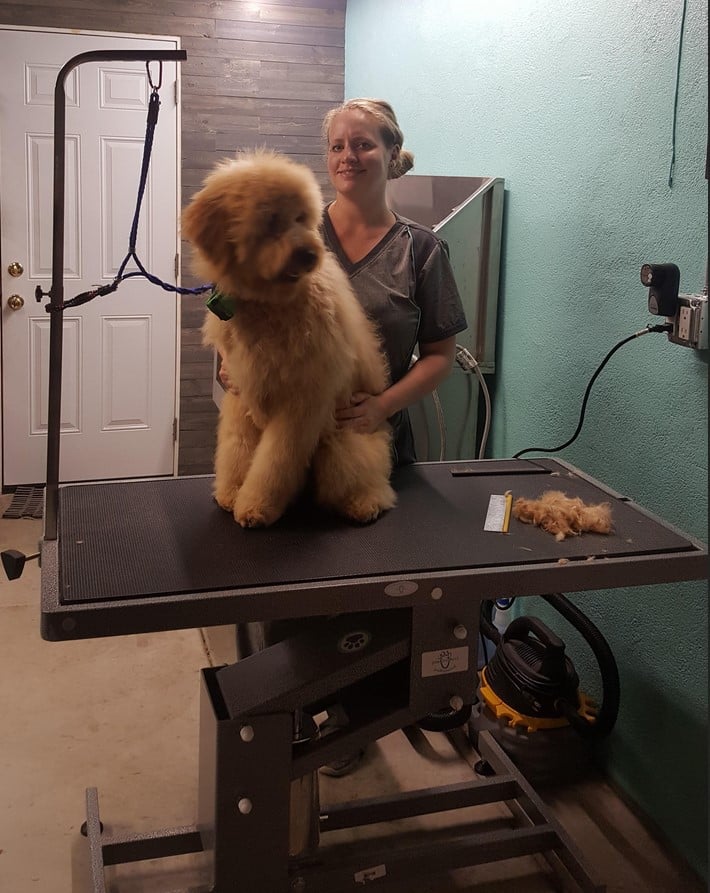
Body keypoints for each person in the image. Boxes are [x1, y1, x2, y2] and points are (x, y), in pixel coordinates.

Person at [224, 99, 467, 775]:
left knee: (368, 600)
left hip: (371, 448)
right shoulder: (298, 229)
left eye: (362, 144)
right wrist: (226, 359)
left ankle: (353, 720)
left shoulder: (422, 251)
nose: (347, 156)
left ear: (391, 155)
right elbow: (226, 298)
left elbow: (441, 355)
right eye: (335, 145)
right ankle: (292, 712)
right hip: (280, 442)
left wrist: (380, 406)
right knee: (288, 594)